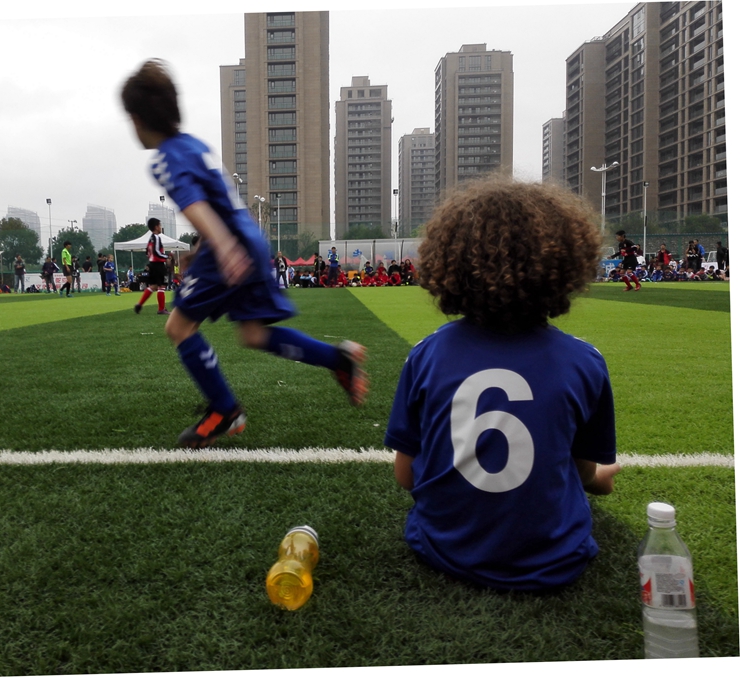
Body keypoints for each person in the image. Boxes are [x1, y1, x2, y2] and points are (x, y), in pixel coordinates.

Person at [385, 177, 620, 592]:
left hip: (442, 549)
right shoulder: (585, 361)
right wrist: (602, 478)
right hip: (556, 560)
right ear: (565, 266)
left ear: (451, 264)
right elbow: (586, 473)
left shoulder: (427, 354)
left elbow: (406, 476)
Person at [121, 58, 369, 447]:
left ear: (136, 119)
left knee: (179, 327)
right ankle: (338, 359)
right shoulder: (194, 146)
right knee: (253, 334)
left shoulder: (166, 159)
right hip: (250, 240)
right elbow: (217, 201)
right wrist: (203, 247)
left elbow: (195, 204)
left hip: (229, 247)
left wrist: (219, 245)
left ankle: (225, 410)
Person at [134, 218, 170, 314]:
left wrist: (151, 259)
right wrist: (167, 256)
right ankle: (161, 309)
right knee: (162, 286)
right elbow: (156, 252)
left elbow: (147, 252)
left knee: (153, 286)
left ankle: (139, 304)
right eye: (160, 225)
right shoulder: (157, 237)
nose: (161, 227)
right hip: (158, 265)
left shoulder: (150, 238)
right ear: (156, 227)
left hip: (152, 264)